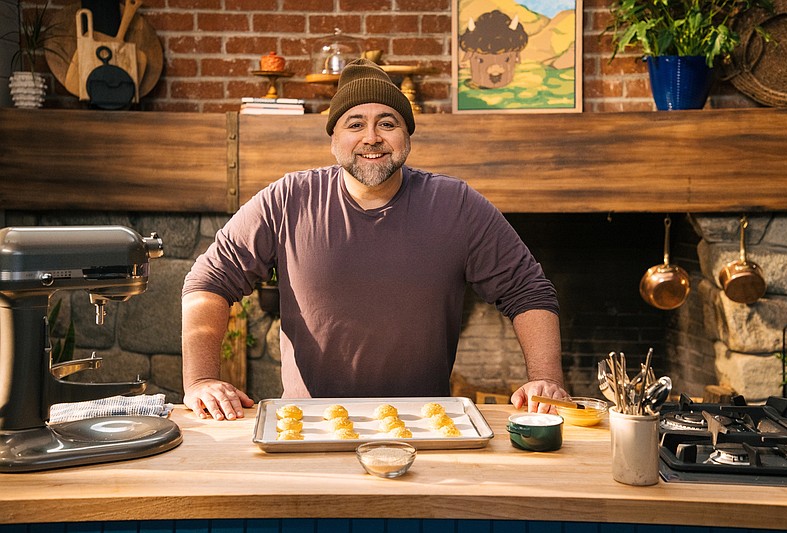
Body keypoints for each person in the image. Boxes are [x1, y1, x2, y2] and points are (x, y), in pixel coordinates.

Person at [181, 58, 569, 421]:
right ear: (333, 138)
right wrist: (200, 380)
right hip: (311, 425)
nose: (372, 137)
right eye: (354, 124)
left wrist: (546, 379)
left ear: (406, 136)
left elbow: (528, 290)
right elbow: (209, 281)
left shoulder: (456, 204)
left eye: (387, 123)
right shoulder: (287, 199)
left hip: (424, 424)